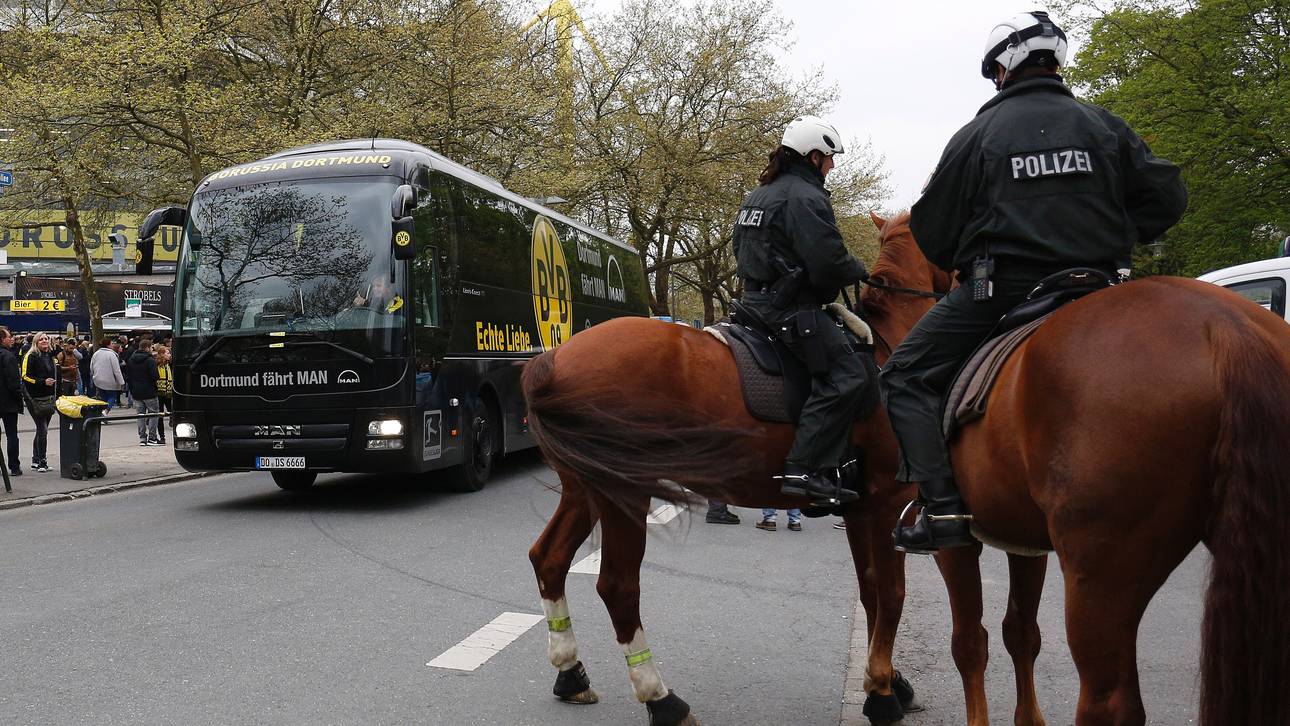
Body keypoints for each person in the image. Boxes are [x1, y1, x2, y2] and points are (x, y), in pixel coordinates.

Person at [881, 10, 1188, 553]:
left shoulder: (977, 134)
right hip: (1100, 287)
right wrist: (1119, 230)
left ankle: (944, 509)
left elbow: (933, 228)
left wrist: (963, 260)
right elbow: (1167, 199)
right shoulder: (1104, 125)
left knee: (904, 374)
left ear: (1004, 68)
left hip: (1001, 290)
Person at [731, 115, 869, 507]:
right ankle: (803, 468)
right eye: (829, 159)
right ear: (812, 157)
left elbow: (737, 249)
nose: (832, 167)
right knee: (847, 377)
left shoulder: (758, 194)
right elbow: (827, 262)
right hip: (787, 310)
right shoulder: (806, 197)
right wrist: (858, 270)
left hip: (752, 304)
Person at [21, 332, 57, 472]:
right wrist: (42, 382)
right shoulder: (30, 356)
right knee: (43, 429)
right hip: (34, 398)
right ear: (35, 342)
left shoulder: (49, 356)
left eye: (46, 339)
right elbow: (25, 376)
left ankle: (36, 460)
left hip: (48, 397)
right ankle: (42, 461)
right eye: (41, 339)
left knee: (42, 429)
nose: (44, 341)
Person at [127, 335, 162, 445]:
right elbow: (155, 376)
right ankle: (152, 437)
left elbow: (128, 376)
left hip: (136, 391)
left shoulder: (131, 359)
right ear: (147, 347)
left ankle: (142, 438)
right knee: (153, 414)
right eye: (151, 347)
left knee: (140, 415)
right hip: (149, 391)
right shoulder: (150, 360)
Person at [0, 327, 24, 477]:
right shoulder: (8, 356)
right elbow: (13, 382)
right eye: (9, 337)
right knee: (11, 435)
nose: (12, 339)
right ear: (2, 339)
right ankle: (14, 466)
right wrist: (19, 398)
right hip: (8, 401)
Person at [91, 337, 126, 411]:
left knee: (103, 398)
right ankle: (105, 412)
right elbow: (116, 370)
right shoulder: (112, 355)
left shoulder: (96, 354)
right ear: (108, 345)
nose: (113, 344)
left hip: (98, 380)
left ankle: (102, 412)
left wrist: (94, 376)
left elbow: (92, 367)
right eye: (111, 343)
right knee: (112, 396)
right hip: (110, 380)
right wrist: (121, 382)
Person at [154, 345, 173, 445]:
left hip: (168, 392)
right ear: (161, 354)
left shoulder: (168, 364)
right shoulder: (156, 364)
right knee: (160, 415)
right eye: (167, 353)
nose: (169, 355)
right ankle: (162, 437)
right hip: (159, 392)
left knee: (172, 412)